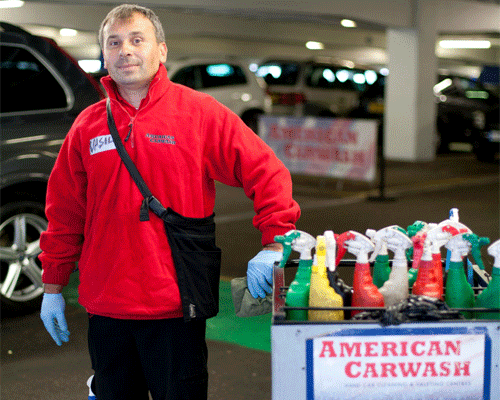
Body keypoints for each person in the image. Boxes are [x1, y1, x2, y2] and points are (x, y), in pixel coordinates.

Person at [39, 4, 300, 400]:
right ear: (104, 55)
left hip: (175, 307)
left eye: (136, 39)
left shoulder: (198, 113)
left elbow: (267, 171)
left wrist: (274, 241)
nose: (125, 50)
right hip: (107, 308)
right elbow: (64, 212)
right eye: (114, 42)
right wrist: (53, 285)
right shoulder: (87, 126)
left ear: (161, 50)